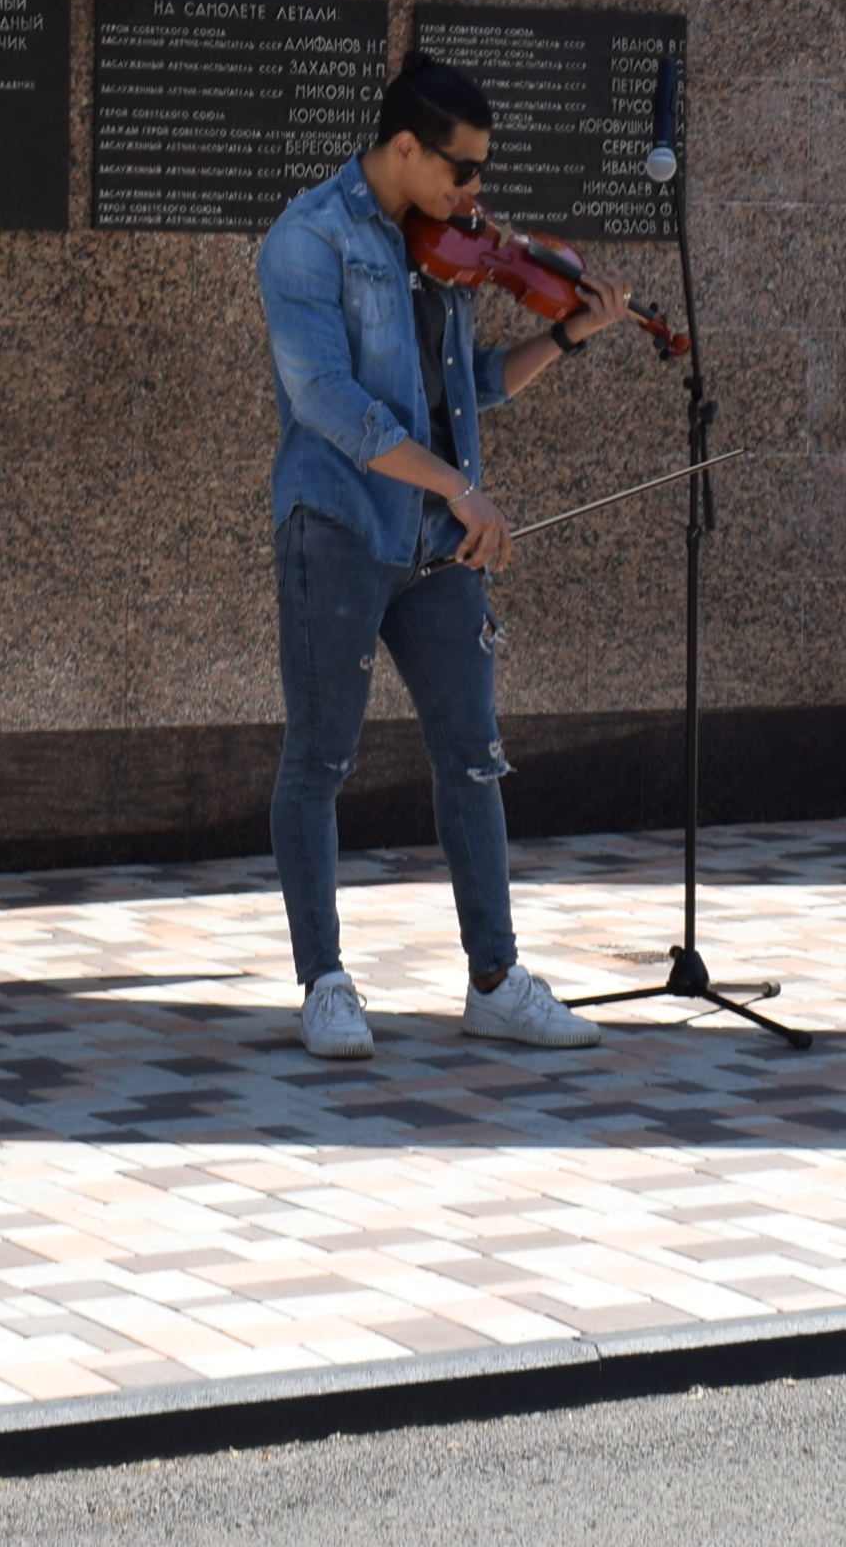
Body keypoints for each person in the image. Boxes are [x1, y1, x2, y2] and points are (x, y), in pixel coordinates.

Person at [257, 58, 630, 1062]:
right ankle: (324, 983)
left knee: (473, 754)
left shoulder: (443, 251)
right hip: (338, 529)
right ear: (404, 147)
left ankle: (496, 982)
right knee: (319, 757)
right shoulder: (307, 239)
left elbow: (473, 386)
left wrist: (569, 333)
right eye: (461, 171)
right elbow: (326, 401)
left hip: (437, 543)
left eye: (480, 172)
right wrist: (458, 486)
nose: (475, 193)